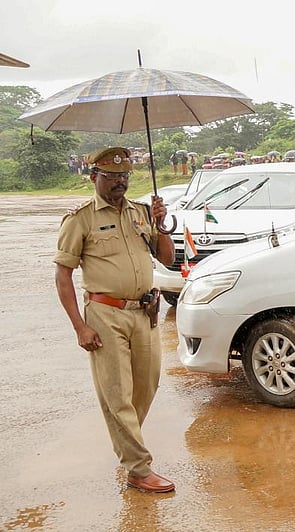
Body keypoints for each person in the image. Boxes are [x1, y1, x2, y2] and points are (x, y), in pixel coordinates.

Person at [53, 147, 177, 493]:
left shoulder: (141, 213)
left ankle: (126, 446)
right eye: (111, 177)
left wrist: (161, 224)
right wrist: (80, 326)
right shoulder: (80, 219)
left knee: (146, 386)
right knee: (117, 394)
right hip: (105, 314)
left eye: (124, 176)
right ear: (93, 177)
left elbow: (166, 259)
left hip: (145, 313)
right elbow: (63, 277)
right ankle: (138, 467)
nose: (119, 182)